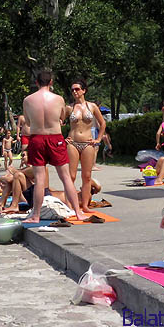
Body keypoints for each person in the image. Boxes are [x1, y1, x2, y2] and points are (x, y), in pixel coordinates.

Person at [23, 70, 85, 222]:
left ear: (36, 82)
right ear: (51, 83)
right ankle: (78, 212)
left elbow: (29, 122)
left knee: (39, 178)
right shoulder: (58, 99)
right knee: (65, 178)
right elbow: (62, 117)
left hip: (37, 138)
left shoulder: (28, 100)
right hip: (55, 137)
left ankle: (36, 215)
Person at [64, 79, 106, 215]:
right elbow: (58, 123)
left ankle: (86, 205)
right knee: (71, 175)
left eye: (77, 89)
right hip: (73, 143)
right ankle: (69, 204)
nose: (75, 92)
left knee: (87, 176)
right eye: (72, 90)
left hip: (88, 143)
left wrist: (98, 139)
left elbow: (102, 123)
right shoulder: (69, 108)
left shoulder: (92, 106)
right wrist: (62, 138)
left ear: (84, 90)